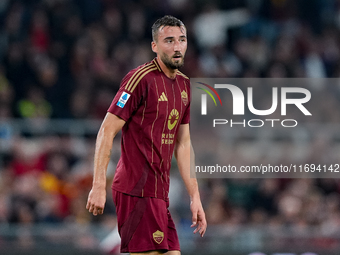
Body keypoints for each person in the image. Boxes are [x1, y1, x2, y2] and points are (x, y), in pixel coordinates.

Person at [86, 15, 207, 254]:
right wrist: (98, 185)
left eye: (181, 40)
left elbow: (183, 144)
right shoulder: (139, 79)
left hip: (160, 195)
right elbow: (106, 131)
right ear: (154, 46)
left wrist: (195, 196)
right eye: (169, 40)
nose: (176, 46)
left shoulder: (184, 86)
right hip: (135, 190)